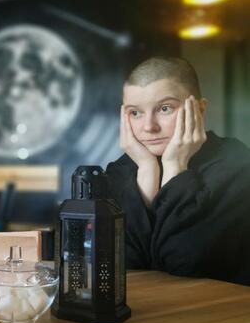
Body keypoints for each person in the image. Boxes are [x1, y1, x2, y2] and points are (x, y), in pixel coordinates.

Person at [106, 56, 250, 286]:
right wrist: (146, 171)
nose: (149, 127)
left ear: (200, 109)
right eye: (135, 113)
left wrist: (175, 168)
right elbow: (121, 261)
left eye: (164, 108)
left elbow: (181, 262)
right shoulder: (120, 171)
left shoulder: (237, 165)